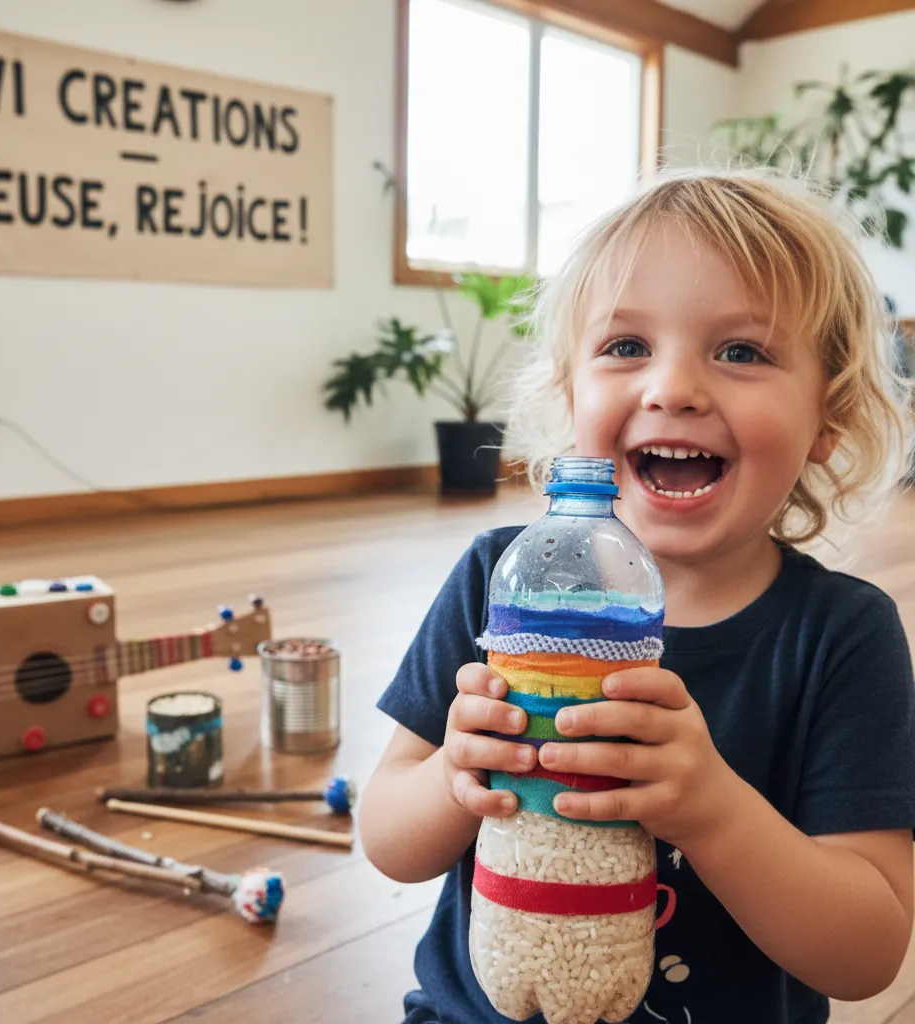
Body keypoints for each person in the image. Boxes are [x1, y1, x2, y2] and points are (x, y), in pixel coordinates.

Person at [359, 169, 915, 1024]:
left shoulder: (840, 635)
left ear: (827, 419)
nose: (672, 388)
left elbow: (867, 952)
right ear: (570, 393)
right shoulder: (498, 579)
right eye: (626, 347)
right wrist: (452, 777)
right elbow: (388, 839)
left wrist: (714, 813)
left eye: (741, 351)